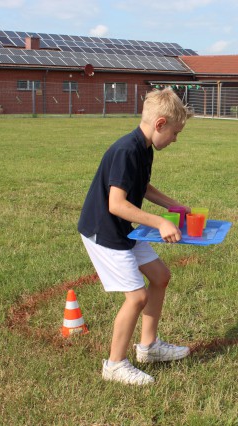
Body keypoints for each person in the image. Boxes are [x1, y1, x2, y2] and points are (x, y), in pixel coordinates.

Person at [78, 88, 194, 385]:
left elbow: (140, 186)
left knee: (160, 276)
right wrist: (159, 222)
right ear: (160, 124)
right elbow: (116, 204)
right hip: (102, 231)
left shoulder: (143, 148)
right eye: (175, 133)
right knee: (137, 295)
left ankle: (149, 347)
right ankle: (114, 365)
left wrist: (171, 205)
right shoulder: (127, 150)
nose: (175, 139)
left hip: (122, 228)